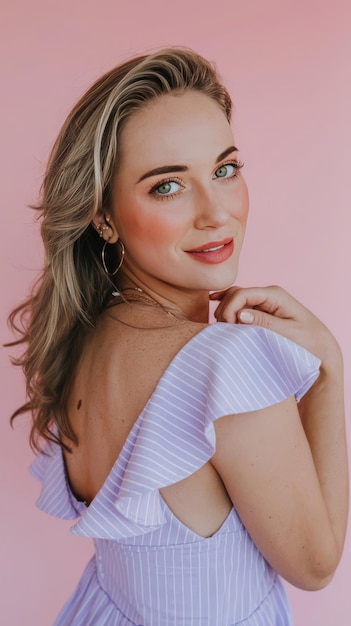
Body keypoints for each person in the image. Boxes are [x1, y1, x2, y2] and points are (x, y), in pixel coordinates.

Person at [8, 48, 348, 626]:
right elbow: (315, 567)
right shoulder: (227, 366)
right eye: (168, 186)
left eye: (224, 169)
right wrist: (328, 373)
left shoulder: (82, 337)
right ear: (104, 217)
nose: (216, 213)